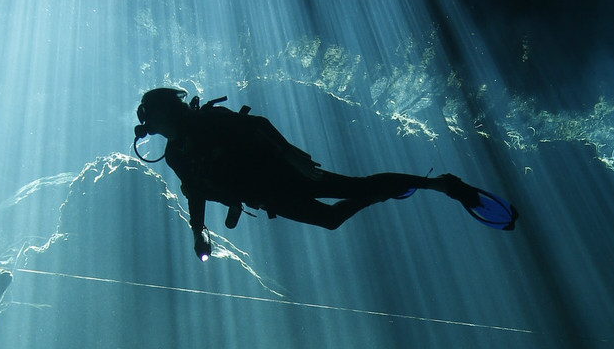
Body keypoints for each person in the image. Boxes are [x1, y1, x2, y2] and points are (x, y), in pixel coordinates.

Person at [134, 88, 516, 260]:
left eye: (155, 122)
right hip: (268, 195)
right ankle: (407, 187)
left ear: (167, 113)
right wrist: (198, 233)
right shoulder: (175, 157)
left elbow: (258, 125)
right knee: (336, 215)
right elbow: (195, 194)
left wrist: (290, 153)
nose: (156, 130)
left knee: (354, 187)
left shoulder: (208, 121)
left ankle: (439, 185)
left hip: (282, 173)